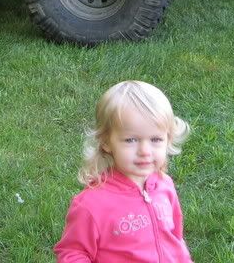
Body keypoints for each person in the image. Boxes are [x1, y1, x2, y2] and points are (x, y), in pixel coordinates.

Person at [54, 81, 193, 263]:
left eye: (155, 139)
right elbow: (73, 253)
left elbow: (175, 237)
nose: (145, 150)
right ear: (106, 142)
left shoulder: (164, 185)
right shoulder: (91, 204)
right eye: (131, 140)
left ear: (168, 139)